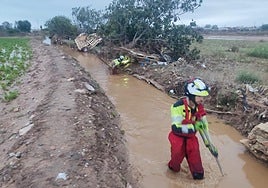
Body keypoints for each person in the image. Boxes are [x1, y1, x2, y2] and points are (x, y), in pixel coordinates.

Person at [168, 78, 218, 180]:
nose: (202, 99)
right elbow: (176, 128)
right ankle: (172, 167)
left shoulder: (199, 107)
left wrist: (210, 145)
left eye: (202, 96)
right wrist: (194, 126)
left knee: (198, 172)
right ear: (191, 95)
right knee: (175, 166)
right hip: (177, 139)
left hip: (191, 139)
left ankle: (198, 176)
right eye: (199, 96)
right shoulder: (176, 107)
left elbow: (204, 127)